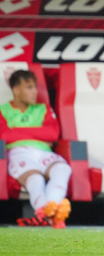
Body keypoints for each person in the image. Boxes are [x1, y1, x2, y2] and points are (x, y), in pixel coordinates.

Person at [0, 70, 71, 228]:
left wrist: (17, 131)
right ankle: (48, 212)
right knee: (35, 179)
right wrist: (37, 132)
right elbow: (3, 134)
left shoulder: (43, 108)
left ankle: (51, 207)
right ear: (16, 89)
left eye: (35, 87)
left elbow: (52, 134)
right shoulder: (2, 110)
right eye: (29, 87)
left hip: (44, 152)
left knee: (63, 169)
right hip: (17, 152)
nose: (35, 92)